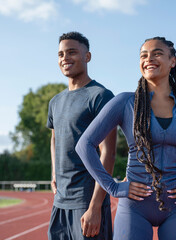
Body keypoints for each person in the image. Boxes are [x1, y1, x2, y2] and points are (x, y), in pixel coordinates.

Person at [75, 37, 176, 240]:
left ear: (173, 61)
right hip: (134, 206)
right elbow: (85, 145)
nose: (149, 58)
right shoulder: (125, 102)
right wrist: (113, 187)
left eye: (157, 53)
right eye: (143, 55)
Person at [46, 31, 116, 240]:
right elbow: (55, 138)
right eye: (60, 54)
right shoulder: (55, 102)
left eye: (72, 52)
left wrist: (95, 206)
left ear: (87, 56)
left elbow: (108, 152)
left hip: (86, 201)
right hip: (60, 201)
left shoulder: (101, 96)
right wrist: (54, 174)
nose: (65, 58)